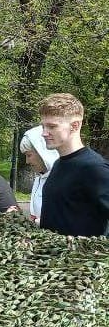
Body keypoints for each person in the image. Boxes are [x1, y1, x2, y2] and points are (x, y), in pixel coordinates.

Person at [38, 93, 109, 237]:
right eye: (43, 126)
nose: (44, 133)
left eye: (52, 126)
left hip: (80, 259)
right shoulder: (59, 164)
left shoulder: (94, 168)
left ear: (75, 125)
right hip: (51, 257)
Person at [20, 125, 59, 225]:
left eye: (29, 155)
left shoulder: (62, 180)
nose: (27, 161)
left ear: (43, 153)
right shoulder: (40, 179)